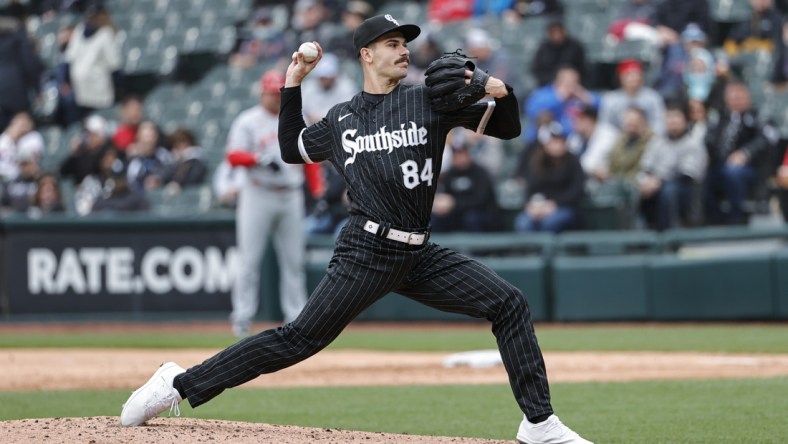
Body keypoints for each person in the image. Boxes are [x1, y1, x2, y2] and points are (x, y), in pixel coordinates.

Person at [120, 14, 593, 444]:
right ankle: (176, 383)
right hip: (365, 251)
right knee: (297, 340)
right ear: (366, 54)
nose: (403, 49)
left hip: (418, 253)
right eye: (391, 43)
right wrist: (293, 82)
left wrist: (497, 88)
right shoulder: (342, 118)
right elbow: (291, 148)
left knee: (509, 303)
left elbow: (507, 129)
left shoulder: (429, 100)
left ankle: (539, 424)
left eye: (405, 42)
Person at [223, 70, 311, 337]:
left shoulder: (295, 117)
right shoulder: (248, 121)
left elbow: (309, 157)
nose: (275, 98)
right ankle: (242, 317)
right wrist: (258, 159)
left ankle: (296, 318)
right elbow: (233, 156)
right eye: (271, 93)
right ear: (262, 93)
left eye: (278, 93)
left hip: (290, 194)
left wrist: (316, 190)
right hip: (257, 193)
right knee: (249, 260)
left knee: (294, 261)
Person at [703, 81, 776, 225]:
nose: (736, 98)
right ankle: (714, 219)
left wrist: (745, 153)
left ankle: (736, 217)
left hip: (749, 167)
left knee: (733, 172)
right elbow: (709, 139)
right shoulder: (719, 117)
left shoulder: (756, 116)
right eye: (732, 95)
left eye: (740, 94)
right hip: (719, 164)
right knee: (701, 174)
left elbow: (769, 137)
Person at [637, 103, 708, 230]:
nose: (672, 121)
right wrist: (645, 181)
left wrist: (659, 182)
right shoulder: (657, 142)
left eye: (676, 117)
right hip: (656, 184)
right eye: (669, 117)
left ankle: (669, 236)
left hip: (685, 189)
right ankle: (640, 236)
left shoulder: (693, 143)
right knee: (634, 188)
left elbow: (687, 175)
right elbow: (645, 167)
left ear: (685, 120)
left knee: (669, 190)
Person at [514, 122, 585, 233]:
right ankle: (532, 250)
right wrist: (531, 206)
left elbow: (576, 190)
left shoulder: (573, 162)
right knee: (523, 223)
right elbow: (530, 188)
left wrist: (555, 204)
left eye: (560, 141)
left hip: (565, 207)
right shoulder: (536, 162)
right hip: (539, 206)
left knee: (550, 223)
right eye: (553, 141)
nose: (557, 145)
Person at [60, 3, 122, 125]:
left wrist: (66, 80)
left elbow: (67, 60)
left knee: (85, 123)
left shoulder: (80, 29)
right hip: (98, 86)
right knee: (99, 123)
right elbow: (114, 65)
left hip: (80, 84)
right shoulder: (104, 33)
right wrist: (120, 87)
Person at [431, 139, 498, 232]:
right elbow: (445, 196)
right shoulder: (449, 174)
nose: (460, 158)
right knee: (436, 219)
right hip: (456, 213)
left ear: (469, 154)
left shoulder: (481, 173)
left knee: (472, 217)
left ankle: (475, 246)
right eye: (456, 155)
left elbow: (481, 200)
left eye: (462, 154)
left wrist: (455, 203)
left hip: (480, 214)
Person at [524, 66, 599, 144]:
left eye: (575, 82)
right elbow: (531, 109)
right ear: (558, 81)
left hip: (573, 142)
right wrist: (559, 97)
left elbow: (601, 105)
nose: (572, 87)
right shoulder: (545, 94)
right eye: (568, 83)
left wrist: (585, 96)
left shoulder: (578, 96)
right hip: (544, 142)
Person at [598, 59, 666, 136]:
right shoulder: (610, 99)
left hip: (647, 138)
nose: (634, 78)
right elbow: (605, 126)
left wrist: (647, 134)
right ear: (620, 77)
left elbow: (659, 123)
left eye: (638, 74)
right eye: (629, 75)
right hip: (618, 140)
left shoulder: (653, 97)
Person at [0, 14, 42, 131]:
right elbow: (29, 62)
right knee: (24, 130)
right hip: (16, 89)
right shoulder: (17, 30)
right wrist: (38, 89)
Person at [146, 128, 207, 194]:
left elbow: (193, 178)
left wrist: (178, 182)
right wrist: (158, 179)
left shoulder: (196, 162)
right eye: (176, 146)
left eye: (182, 144)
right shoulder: (172, 162)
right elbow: (165, 173)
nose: (179, 148)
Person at [59, 114, 113, 186]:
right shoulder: (81, 154)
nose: (88, 138)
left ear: (101, 137)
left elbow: (95, 167)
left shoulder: (108, 152)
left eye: (92, 134)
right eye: (87, 134)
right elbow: (63, 172)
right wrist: (73, 154)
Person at [531, 18, 587, 88]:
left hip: (573, 86)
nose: (557, 34)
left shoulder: (575, 47)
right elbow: (537, 71)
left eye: (559, 31)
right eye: (553, 31)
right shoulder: (543, 49)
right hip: (548, 86)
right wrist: (554, 81)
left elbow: (583, 70)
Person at [0, 111, 44, 182]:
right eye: (20, 123)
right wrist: (12, 138)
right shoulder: (3, 139)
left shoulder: (34, 138)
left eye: (25, 123)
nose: (22, 127)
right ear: (12, 124)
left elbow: (29, 166)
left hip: (25, 180)